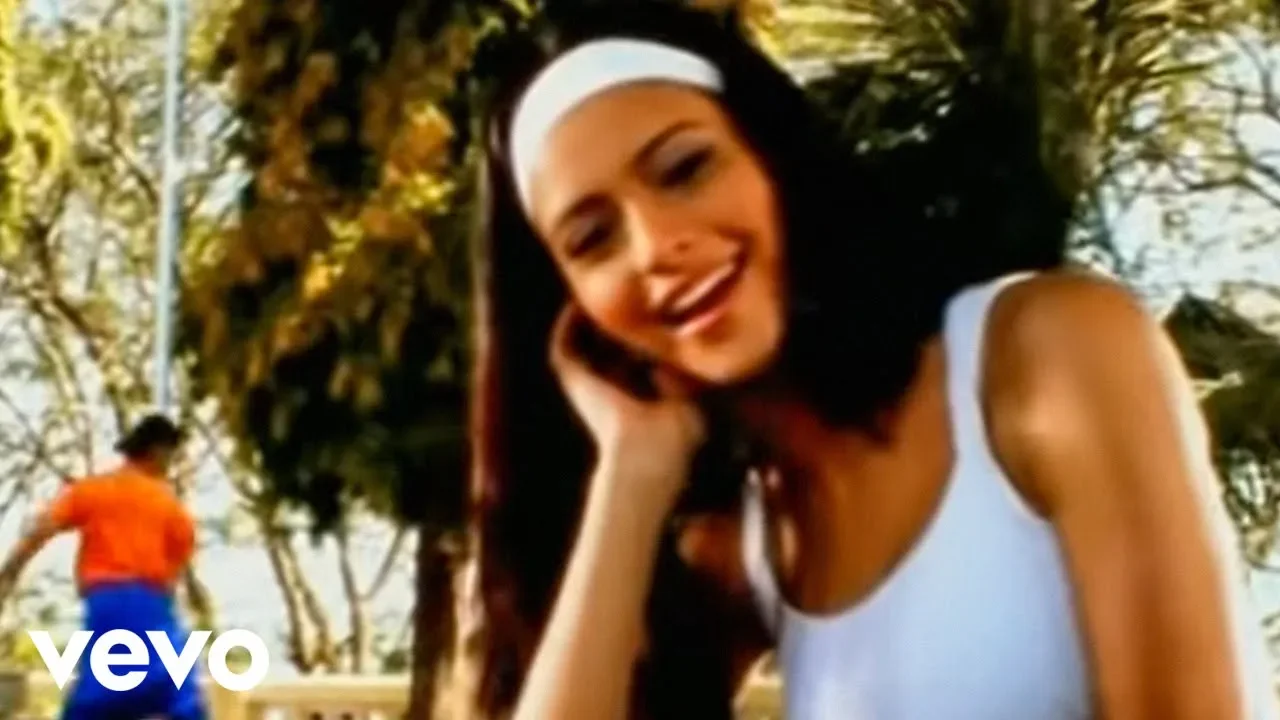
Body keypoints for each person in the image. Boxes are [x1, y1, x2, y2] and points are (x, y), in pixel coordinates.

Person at [466, 3, 1279, 720]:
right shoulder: (746, 550)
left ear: (772, 157)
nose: (655, 247)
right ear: (576, 310)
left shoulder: (1042, 354)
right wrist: (632, 474)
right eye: (593, 239)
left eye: (685, 169)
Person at [0, 413, 206, 720]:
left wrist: (9, 573)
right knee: (176, 693)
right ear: (158, 451)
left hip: (105, 603)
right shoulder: (171, 508)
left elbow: (42, 529)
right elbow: (175, 569)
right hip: (148, 604)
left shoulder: (94, 490)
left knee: (103, 691)